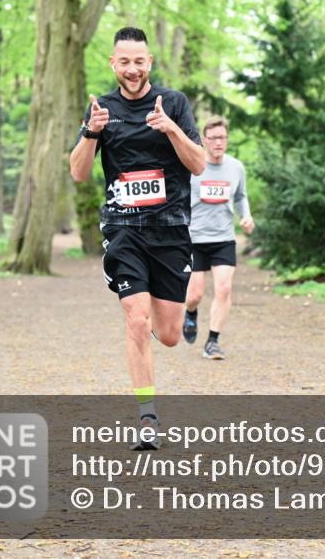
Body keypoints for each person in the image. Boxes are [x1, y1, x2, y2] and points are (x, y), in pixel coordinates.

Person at [70, 27, 204, 450]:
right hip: (123, 228)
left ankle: (171, 317)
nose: (132, 69)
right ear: (113, 64)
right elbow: (77, 172)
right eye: (124, 61)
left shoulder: (175, 103)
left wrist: (170, 129)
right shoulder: (101, 109)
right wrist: (91, 133)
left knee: (166, 333)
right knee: (137, 320)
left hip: (170, 230)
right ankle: (147, 418)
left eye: (139, 61)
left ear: (150, 63)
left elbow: (199, 164)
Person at [182, 115, 255, 360]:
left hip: (223, 238)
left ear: (227, 139)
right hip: (193, 238)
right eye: (212, 138)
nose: (218, 143)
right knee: (194, 295)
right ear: (204, 140)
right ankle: (190, 313)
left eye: (222, 137)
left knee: (224, 289)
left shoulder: (236, 167)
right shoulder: (192, 166)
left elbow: (241, 196)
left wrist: (246, 216)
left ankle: (212, 341)